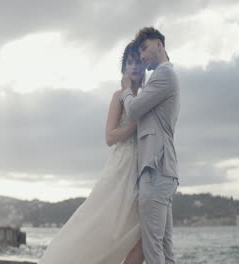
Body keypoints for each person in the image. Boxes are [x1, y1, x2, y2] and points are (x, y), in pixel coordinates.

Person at [38, 41, 146, 264]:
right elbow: (109, 137)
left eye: (138, 62)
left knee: (140, 230)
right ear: (124, 69)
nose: (134, 67)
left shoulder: (147, 95)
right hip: (122, 165)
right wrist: (134, 126)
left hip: (142, 168)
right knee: (104, 223)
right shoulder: (118, 96)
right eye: (130, 62)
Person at [119, 27, 180, 264]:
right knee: (164, 249)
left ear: (159, 44)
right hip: (163, 171)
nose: (142, 56)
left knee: (154, 250)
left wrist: (126, 91)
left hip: (155, 169)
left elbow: (133, 110)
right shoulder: (163, 77)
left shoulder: (164, 75)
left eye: (144, 48)